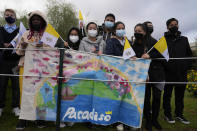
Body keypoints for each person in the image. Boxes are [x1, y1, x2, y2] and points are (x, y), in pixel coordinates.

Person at [15, 10, 51, 130]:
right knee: (26, 93)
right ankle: (24, 118)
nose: (36, 21)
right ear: (30, 22)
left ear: (42, 21)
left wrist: (44, 46)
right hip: (26, 68)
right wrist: (23, 46)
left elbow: (54, 51)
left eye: (38, 19)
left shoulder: (47, 35)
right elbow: (18, 52)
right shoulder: (25, 34)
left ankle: (40, 118)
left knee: (42, 92)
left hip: (43, 69)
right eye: (33, 20)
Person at [163, 18, 192, 125]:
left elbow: (189, 55)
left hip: (181, 73)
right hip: (169, 73)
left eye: (176, 24)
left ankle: (179, 114)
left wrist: (185, 66)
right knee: (167, 95)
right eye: (171, 25)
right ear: (167, 27)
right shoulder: (163, 40)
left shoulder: (184, 39)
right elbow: (161, 56)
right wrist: (167, 67)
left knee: (180, 96)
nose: (174, 26)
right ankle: (167, 114)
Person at [143, 21, 165, 131]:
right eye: (148, 26)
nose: (150, 27)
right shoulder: (139, 41)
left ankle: (155, 120)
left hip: (157, 74)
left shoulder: (156, 42)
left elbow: (161, 54)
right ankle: (148, 120)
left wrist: (150, 55)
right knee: (146, 98)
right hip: (144, 75)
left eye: (152, 25)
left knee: (157, 98)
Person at [0, 9, 20, 117]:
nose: (9, 16)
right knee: (1, 85)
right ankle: (0, 107)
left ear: (15, 17)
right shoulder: (0, 29)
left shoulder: (20, 31)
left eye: (11, 15)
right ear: (4, 17)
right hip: (3, 62)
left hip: (15, 62)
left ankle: (15, 107)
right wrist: (3, 44)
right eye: (6, 15)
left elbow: (21, 43)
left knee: (16, 85)